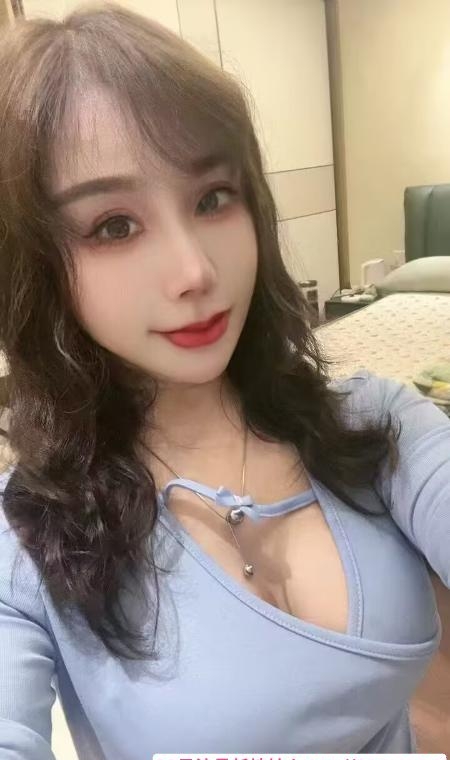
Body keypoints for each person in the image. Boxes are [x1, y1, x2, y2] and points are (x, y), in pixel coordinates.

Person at [0, 4, 448, 758]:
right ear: (37, 264)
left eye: (212, 198)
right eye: (113, 226)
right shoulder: (25, 539)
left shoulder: (375, 423)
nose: (195, 271)